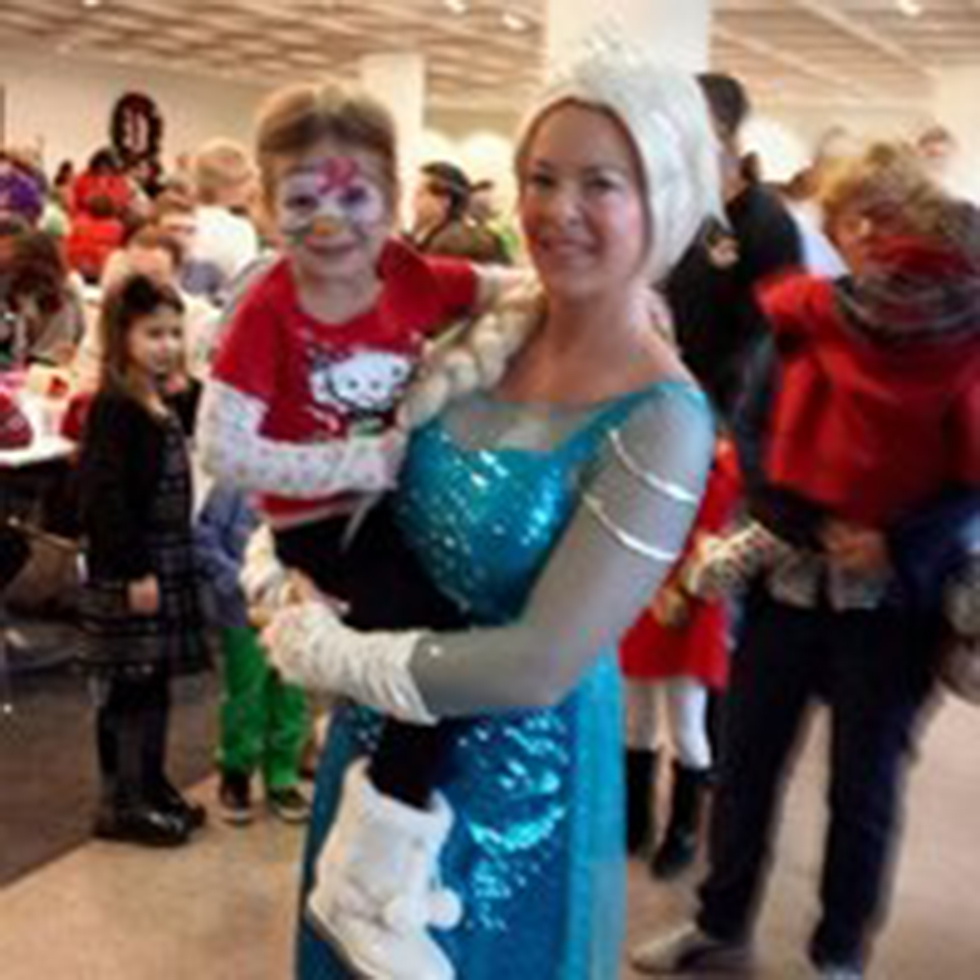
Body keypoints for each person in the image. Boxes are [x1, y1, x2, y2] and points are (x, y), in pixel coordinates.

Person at [257, 44, 721, 980]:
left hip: (513, 790)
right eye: (541, 179)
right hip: (375, 744)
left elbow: (539, 664)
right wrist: (278, 562)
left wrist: (332, 656)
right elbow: (353, 483)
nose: (558, 209)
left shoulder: (664, 420)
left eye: (601, 183)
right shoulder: (479, 331)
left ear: (662, 201)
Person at [632, 144, 980, 979]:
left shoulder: (963, 330)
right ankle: (719, 926)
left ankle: (838, 956)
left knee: (864, 790)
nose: (859, 235)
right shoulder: (809, 315)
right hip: (787, 584)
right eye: (846, 219)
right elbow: (753, 432)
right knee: (746, 769)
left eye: (878, 217)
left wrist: (895, 541)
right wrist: (813, 522)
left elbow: (970, 473)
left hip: (895, 604)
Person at [197, 81, 515, 977]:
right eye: (303, 200)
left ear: (394, 195)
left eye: (355, 196)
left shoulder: (406, 276)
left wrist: (613, 301)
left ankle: (396, 855)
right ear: (266, 206)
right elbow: (223, 447)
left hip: (390, 510)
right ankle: (368, 878)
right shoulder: (269, 309)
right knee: (438, 656)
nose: (331, 222)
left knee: (448, 641)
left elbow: (503, 288)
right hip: (323, 526)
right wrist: (354, 464)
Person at [75, 274, 209, 848]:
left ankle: (151, 784)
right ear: (122, 336)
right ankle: (122, 802)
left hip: (168, 556)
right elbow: (103, 497)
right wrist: (134, 570)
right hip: (134, 565)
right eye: (153, 334)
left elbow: (209, 410)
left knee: (154, 682)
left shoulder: (166, 397)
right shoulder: (115, 407)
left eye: (175, 333)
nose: (167, 345)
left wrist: (188, 383)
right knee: (128, 683)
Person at [621, 436, 741, 878]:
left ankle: (684, 831)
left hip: (694, 605)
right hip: (646, 595)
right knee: (637, 721)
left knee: (687, 726)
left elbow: (721, 540)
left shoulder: (725, 472)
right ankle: (634, 821)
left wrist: (685, 585)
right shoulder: (649, 457)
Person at [194, 481, 311, 825]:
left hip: (295, 611)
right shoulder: (233, 487)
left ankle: (282, 776)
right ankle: (236, 772)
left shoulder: (305, 484)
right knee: (246, 693)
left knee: (291, 695)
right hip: (244, 612)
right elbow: (204, 539)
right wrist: (240, 581)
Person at [410, 161, 511, 263]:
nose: (413, 201)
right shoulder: (444, 236)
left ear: (444, 201)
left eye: (420, 194)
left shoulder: (452, 244)